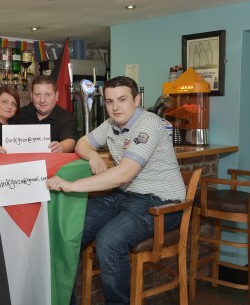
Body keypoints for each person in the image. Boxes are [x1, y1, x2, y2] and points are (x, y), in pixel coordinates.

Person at [46, 76, 185, 305]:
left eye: (122, 99)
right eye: (109, 101)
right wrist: (92, 156)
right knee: (68, 228)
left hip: (162, 202)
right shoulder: (112, 124)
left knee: (109, 241)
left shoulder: (148, 123)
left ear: (136, 99)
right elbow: (83, 142)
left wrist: (71, 185)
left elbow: (124, 174)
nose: (115, 107)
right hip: (125, 196)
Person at [16, 75, 77, 153]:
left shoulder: (66, 118)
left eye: (47, 94)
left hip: (53, 163)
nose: (42, 100)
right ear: (31, 96)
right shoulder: (19, 114)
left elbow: (70, 141)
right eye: (37, 94)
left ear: (57, 96)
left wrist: (60, 147)